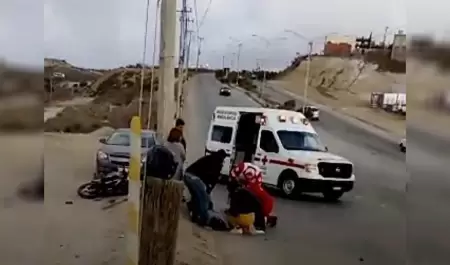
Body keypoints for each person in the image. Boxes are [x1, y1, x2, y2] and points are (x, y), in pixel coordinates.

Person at [229, 162, 276, 231]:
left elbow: (232, 177)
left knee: (255, 210)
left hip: (265, 206)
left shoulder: (250, 187)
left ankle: (266, 220)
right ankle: (267, 219)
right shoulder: (255, 177)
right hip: (267, 202)